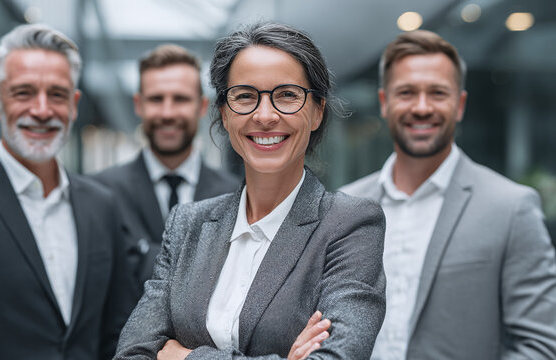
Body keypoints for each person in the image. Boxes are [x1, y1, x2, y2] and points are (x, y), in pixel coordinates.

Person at [114, 22, 386, 360]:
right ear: (224, 115)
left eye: (287, 95)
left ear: (317, 111)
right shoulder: (189, 224)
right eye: (245, 96)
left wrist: (184, 357)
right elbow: (131, 353)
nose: (265, 115)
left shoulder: (350, 225)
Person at [0, 24, 134, 359]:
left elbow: (119, 333)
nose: (42, 110)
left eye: (57, 94)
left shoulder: (101, 205)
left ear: (74, 105)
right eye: (23, 93)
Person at [340, 30, 556, 359]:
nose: (422, 107)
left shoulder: (511, 208)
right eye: (407, 92)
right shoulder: (345, 206)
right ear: (385, 103)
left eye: (438, 93)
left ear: (460, 104)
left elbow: (541, 344)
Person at [93, 44, 239, 301]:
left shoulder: (236, 195)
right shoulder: (101, 194)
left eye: (180, 99)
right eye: (156, 99)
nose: (168, 112)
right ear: (138, 104)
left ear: (202, 106)